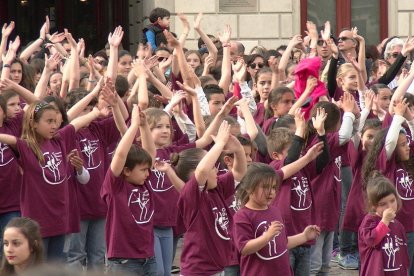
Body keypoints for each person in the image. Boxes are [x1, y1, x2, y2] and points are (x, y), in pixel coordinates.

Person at [0, 101, 104, 261]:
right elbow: (11, 139)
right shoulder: (27, 147)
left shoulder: (58, 140)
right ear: (33, 124)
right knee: (37, 269)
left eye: (56, 121)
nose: (54, 125)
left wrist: (96, 113)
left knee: (57, 268)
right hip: (37, 225)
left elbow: (74, 123)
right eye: (49, 121)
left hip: (61, 221)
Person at [233, 163, 320, 276]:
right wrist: (267, 237)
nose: (271, 192)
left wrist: (304, 236)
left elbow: (283, 242)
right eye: (265, 187)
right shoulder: (242, 216)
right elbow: (244, 248)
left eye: (273, 187)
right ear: (249, 188)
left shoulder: (275, 211)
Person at [101, 105, 157, 275]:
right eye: (143, 170)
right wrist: (133, 126)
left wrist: (144, 126)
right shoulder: (116, 186)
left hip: (148, 256)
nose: (148, 174)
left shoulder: (144, 183)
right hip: (123, 259)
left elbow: (150, 153)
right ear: (126, 170)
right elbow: (119, 156)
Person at [358, 174, 409, 275]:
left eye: (392, 201)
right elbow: (372, 241)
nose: (389, 206)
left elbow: (403, 253)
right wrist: (384, 221)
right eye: (383, 204)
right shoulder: (369, 221)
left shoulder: (398, 225)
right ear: (373, 205)